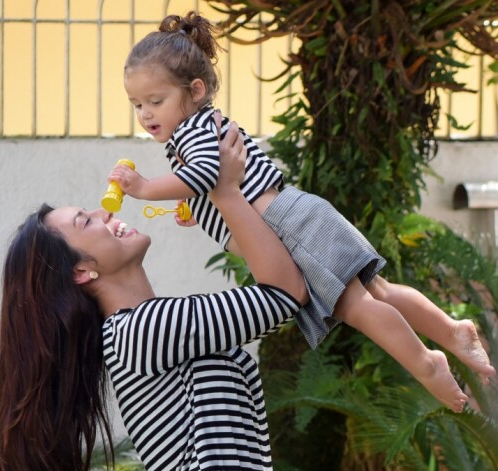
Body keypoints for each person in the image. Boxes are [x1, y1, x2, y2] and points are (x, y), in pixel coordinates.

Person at [108, 11, 495, 413]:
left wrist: (146, 188)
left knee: (354, 306)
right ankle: (451, 330)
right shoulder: (200, 126)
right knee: (378, 290)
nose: (145, 114)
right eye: (136, 104)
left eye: (156, 101)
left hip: (288, 226)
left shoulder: (191, 129)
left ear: (197, 90)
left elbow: (209, 173)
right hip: (298, 214)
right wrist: (198, 208)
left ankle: (426, 363)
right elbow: (213, 181)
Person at [0, 119, 306, 471]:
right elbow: (286, 293)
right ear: (81, 273)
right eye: (85, 222)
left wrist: (218, 201)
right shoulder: (141, 331)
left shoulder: (153, 327)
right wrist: (228, 193)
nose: (104, 213)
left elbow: (281, 285)